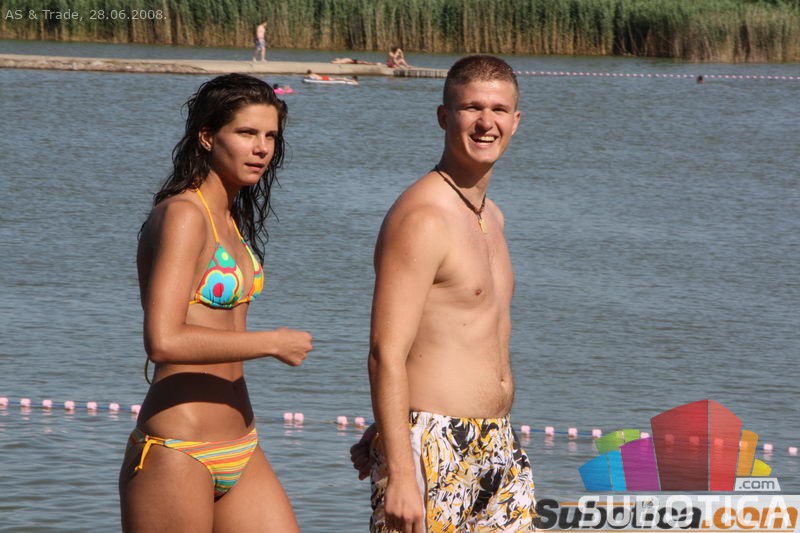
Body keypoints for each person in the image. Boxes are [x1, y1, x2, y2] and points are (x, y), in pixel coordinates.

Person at [119, 73, 313, 531]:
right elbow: (163, 340)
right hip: (178, 449)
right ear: (207, 136)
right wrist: (271, 343)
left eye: (270, 136)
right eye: (246, 133)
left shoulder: (227, 216)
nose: (261, 148)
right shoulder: (184, 215)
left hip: (241, 443)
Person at [356, 54, 536, 532]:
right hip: (431, 446)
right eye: (471, 108)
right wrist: (399, 468)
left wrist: (383, 423)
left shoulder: (491, 215)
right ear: (443, 116)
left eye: (499, 110)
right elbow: (385, 351)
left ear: (516, 121)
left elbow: (453, 332)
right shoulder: (423, 218)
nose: (486, 123)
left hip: (498, 443)